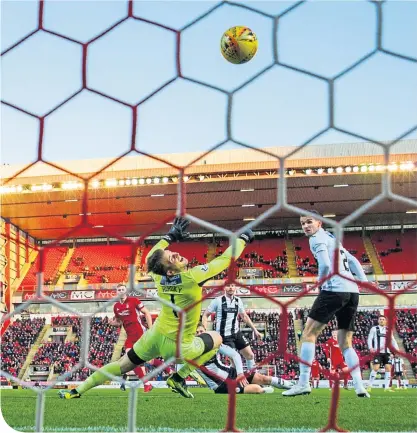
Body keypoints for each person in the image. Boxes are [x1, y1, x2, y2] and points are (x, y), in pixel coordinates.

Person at [59, 217, 253, 400]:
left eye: (171, 253)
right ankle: (179, 377)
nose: (175, 253)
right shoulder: (193, 277)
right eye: (171, 258)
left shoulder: (159, 277)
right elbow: (225, 259)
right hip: (178, 347)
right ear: (170, 270)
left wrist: (171, 237)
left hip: (154, 336)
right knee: (217, 339)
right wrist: (244, 239)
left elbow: (152, 256)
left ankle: (77, 390)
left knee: (122, 365)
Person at [282, 210, 369, 398]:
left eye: (309, 222)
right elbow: (353, 261)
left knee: (308, 334)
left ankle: (303, 383)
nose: (306, 226)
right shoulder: (331, 239)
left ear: (319, 223)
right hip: (352, 292)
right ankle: (359, 386)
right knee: (346, 342)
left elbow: (325, 266)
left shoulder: (316, 239)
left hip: (334, 289)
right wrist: (362, 281)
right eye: (302, 223)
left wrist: (320, 285)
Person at [181, 323, 291, 394]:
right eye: (197, 332)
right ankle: (262, 391)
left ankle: (292, 386)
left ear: (206, 332)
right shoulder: (191, 350)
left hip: (231, 373)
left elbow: (235, 355)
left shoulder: (213, 344)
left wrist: (239, 373)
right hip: (220, 385)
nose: (200, 334)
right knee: (256, 389)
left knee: (263, 378)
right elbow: (183, 365)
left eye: (201, 331)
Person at [202, 284, 262, 371]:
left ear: (235, 288)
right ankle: (234, 381)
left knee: (250, 355)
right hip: (224, 336)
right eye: (228, 286)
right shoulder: (217, 301)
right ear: (224, 288)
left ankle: (252, 376)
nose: (231, 287)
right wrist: (204, 330)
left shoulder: (238, 300)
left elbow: (244, 316)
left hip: (236, 334)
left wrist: (255, 330)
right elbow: (205, 315)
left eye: (233, 286)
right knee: (234, 361)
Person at [110, 284, 153, 392]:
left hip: (139, 332)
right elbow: (120, 322)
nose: (121, 291)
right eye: (119, 290)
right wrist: (112, 323)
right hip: (129, 336)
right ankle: (147, 384)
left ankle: (165, 371)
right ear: (117, 292)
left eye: (122, 289)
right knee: (132, 360)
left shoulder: (134, 300)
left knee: (139, 359)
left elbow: (146, 313)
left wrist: (151, 329)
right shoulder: (116, 307)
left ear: (126, 291)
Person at [367, 315, 399, 392]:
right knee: (376, 368)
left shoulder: (388, 330)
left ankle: (386, 387)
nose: (381, 320)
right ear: (378, 321)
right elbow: (370, 338)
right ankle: (369, 386)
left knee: (388, 369)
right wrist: (370, 347)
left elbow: (393, 340)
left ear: (385, 321)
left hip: (387, 352)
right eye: (380, 319)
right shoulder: (374, 329)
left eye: (383, 319)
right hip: (377, 352)